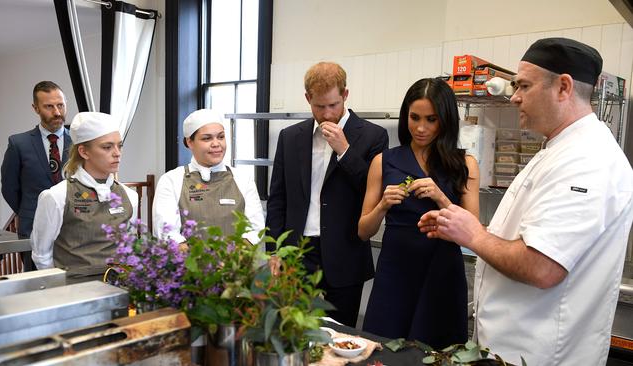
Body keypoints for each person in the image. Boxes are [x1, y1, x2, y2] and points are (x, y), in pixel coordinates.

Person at [418, 38, 633, 365]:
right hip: (514, 347)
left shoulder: (589, 160)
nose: (514, 97)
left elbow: (542, 266)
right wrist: (463, 228)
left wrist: (473, 234)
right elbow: (529, 232)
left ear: (563, 87)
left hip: (542, 354)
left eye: (524, 86)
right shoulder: (557, 148)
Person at [358, 78, 479, 348]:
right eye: (414, 118)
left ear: (445, 120)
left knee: (439, 350)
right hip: (395, 270)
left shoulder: (465, 164)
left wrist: (441, 197)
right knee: (384, 349)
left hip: (441, 270)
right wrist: (382, 205)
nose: (421, 128)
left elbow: (473, 233)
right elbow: (364, 230)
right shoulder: (383, 161)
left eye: (431, 119)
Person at [266, 62, 389, 327]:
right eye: (319, 107)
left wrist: (344, 150)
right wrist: (273, 250)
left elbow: (372, 191)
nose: (327, 114)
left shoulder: (373, 136)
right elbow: (278, 198)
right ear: (308, 98)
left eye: (333, 105)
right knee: (292, 330)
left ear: (345, 95)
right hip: (297, 252)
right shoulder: (290, 137)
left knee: (340, 334)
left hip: (345, 251)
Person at [31, 112, 138, 282]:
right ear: (84, 151)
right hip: (74, 293)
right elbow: (41, 255)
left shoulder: (130, 196)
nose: (117, 153)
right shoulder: (56, 196)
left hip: (119, 291)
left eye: (120, 145)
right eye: (107, 147)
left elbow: (130, 247)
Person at [152, 109, 265, 245]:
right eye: (207, 138)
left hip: (235, 264)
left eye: (221, 137)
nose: (216, 144)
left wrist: (231, 259)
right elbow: (166, 232)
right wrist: (202, 263)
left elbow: (255, 228)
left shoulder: (243, 178)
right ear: (190, 142)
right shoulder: (171, 180)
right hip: (189, 264)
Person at [1, 81, 72, 240]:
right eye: (49, 106)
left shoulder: (80, 143)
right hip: (33, 229)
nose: (57, 112)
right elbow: (9, 188)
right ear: (36, 108)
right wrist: (30, 211)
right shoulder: (18, 144)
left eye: (60, 105)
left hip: (73, 229)